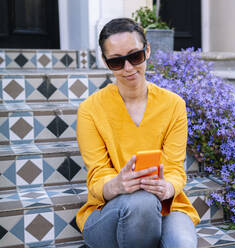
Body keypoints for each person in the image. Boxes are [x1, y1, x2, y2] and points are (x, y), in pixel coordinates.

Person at [75, 18, 200, 248]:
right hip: (108, 212)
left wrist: (168, 187)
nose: (128, 68)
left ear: (148, 50)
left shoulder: (173, 105)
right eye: (116, 62)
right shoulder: (90, 110)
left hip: (167, 207)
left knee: (182, 244)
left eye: (135, 56)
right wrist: (117, 185)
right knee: (141, 202)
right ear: (105, 62)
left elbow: (174, 169)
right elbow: (97, 174)